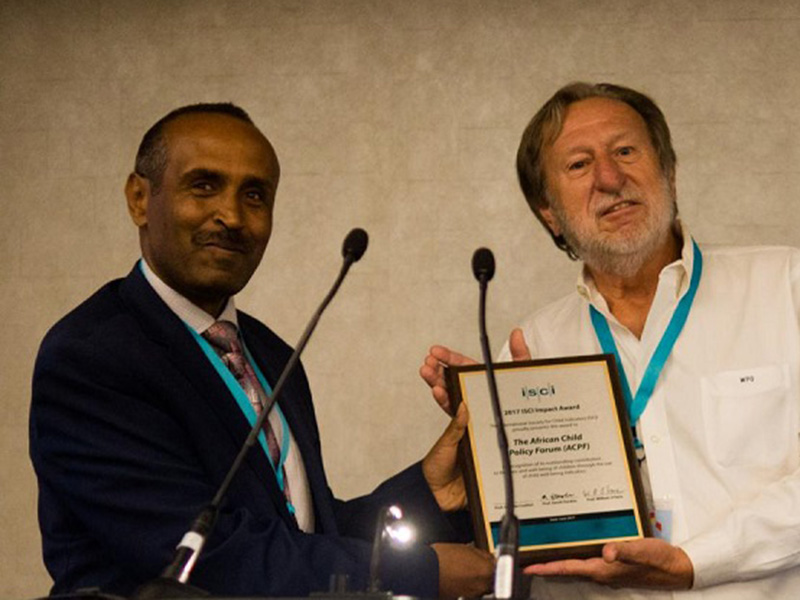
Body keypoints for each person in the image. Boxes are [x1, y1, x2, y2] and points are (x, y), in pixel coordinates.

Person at [30, 103, 494, 599]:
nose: (231, 215)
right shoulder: (91, 358)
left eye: (255, 195)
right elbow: (206, 554)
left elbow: (307, 536)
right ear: (140, 198)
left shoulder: (271, 353)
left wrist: (431, 489)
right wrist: (418, 572)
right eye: (203, 185)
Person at [420, 82, 800, 598]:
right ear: (548, 212)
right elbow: (520, 546)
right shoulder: (530, 350)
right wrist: (484, 460)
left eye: (625, 151)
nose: (609, 178)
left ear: (668, 171)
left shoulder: (787, 284)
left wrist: (695, 563)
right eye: (578, 165)